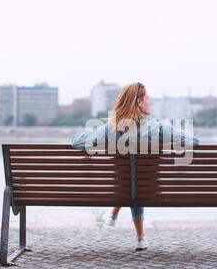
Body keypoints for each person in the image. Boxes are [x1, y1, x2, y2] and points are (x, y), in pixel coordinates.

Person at [71, 82, 200, 250]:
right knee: (137, 182)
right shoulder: (159, 127)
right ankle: (139, 237)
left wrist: (92, 139)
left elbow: (76, 141)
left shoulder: (110, 128)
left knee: (130, 181)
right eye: (148, 99)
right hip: (151, 190)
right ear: (139, 102)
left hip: (119, 190)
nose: (150, 103)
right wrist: (163, 142)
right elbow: (194, 141)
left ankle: (117, 218)